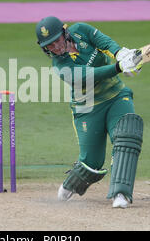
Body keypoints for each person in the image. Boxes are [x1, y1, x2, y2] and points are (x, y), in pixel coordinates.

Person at [35, 16, 144, 208]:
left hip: (116, 95)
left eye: (57, 40)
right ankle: (70, 185)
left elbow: (104, 42)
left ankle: (121, 193)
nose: (56, 47)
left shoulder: (81, 30)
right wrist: (119, 67)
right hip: (87, 108)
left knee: (127, 134)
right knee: (91, 163)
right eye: (49, 46)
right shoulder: (61, 67)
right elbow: (90, 76)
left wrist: (121, 54)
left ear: (65, 32)